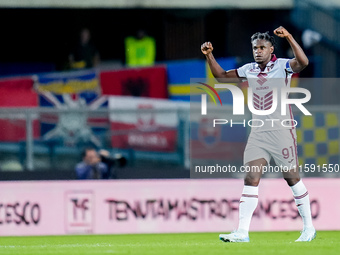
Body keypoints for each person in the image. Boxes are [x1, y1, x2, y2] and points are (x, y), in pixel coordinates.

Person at [201, 26, 316, 242]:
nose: (258, 51)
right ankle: (242, 232)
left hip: (282, 130)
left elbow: (303, 63)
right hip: (258, 133)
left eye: (262, 47)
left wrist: (290, 37)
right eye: (255, 48)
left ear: (271, 49)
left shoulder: (282, 66)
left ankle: (309, 228)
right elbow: (222, 77)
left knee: (292, 179)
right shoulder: (249, 69)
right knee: (251, 179)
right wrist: (209, 55)